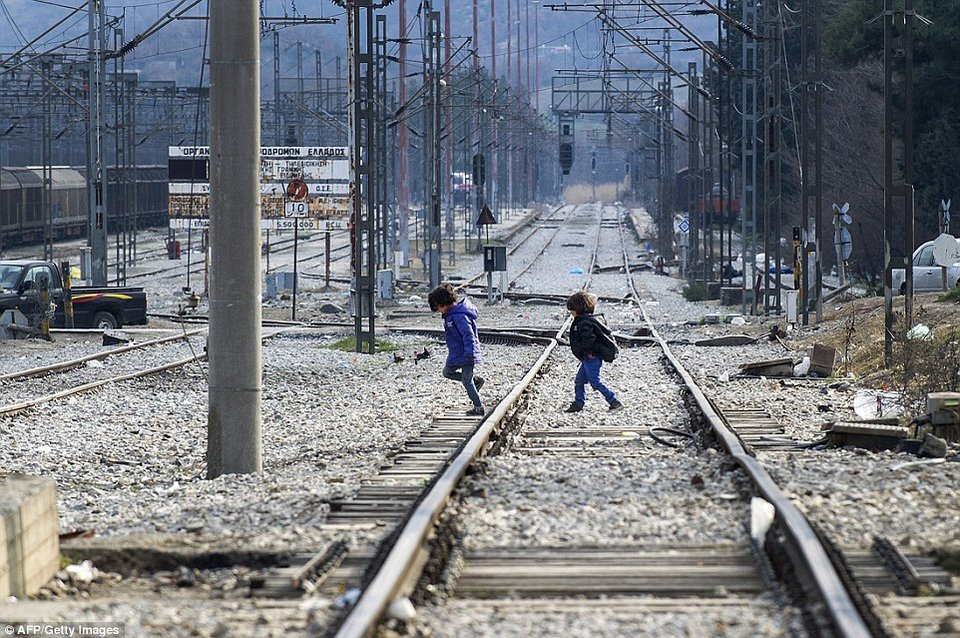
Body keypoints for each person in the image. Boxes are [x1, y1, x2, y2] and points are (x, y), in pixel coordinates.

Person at [428, 284, 485, 416]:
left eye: (438, 307)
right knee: (447, 372)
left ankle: (478, 407)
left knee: (466, 380)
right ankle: (476, 381)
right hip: (457, 353)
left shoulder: (459, 316)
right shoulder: (451, 315)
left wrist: (470, 353)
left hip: (466, 353)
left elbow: (468, 335)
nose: (438, 310)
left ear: (444, 303)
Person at [565, 291, 623, 413]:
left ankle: (614, 401)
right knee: (579, 381)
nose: (570, 312)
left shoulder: (584, 323)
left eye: (572, 310)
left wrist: (589, 352)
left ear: (578, 309)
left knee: (595, 382)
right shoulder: (587, 319)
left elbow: (589, 339)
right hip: (587, 357)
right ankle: (578, 403)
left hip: (591, 357)